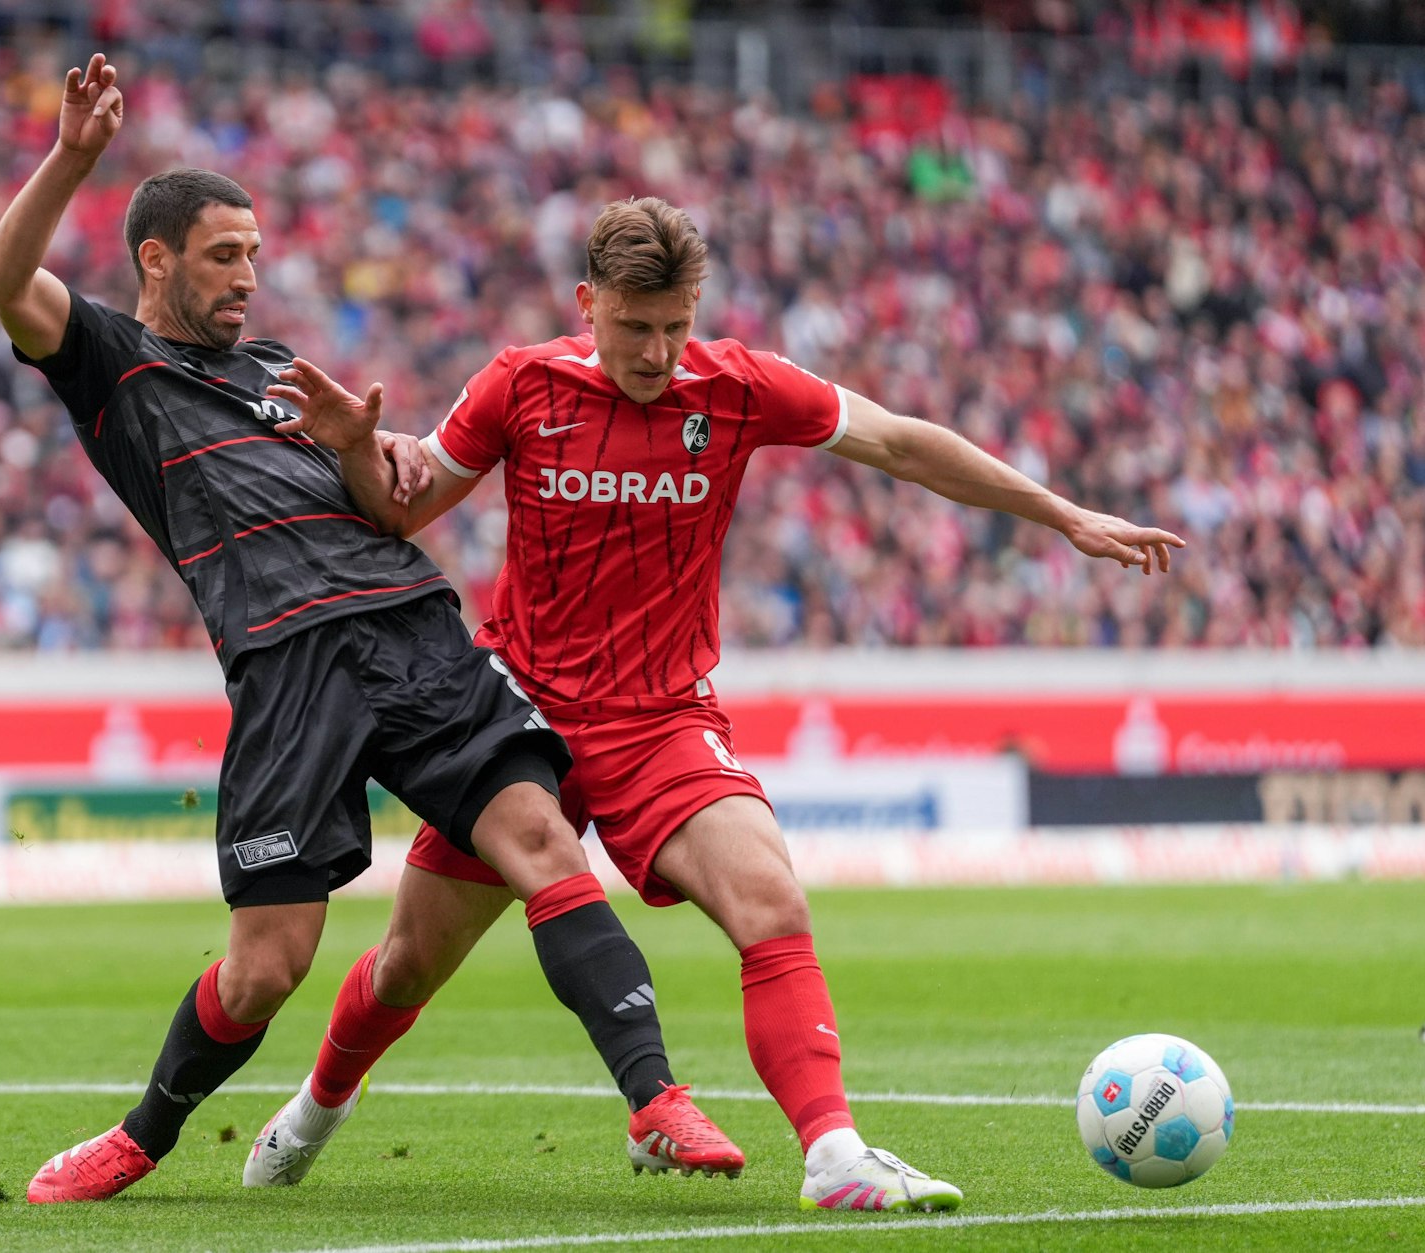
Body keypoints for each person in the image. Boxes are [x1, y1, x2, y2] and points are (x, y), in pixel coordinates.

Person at [246, 196, 1188, 1212]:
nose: (655, 351)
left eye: (673, 326)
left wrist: (1060, 513)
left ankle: (833, 1154)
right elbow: (405, 503)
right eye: (633, 326)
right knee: (404, 966)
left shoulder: (736, 386)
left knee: (770, 901)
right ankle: (314, 1107)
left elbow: (898, 441)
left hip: (662, 719)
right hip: (519, 722)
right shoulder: (520, 383)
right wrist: (353, 446)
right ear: (587, 303)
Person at [0, 57, 744, 1205]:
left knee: (541, 838)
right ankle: (142, 1133)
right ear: (156, 258)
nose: (249, 274)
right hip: (287, 668)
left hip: (414, 627)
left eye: (254, 253)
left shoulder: (286, 370)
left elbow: (383, 504)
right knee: (263, 969)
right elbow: (1, 278)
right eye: (223, 255)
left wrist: (349, 442)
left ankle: (655, 1097)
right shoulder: (111, 363)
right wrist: (75, 158)